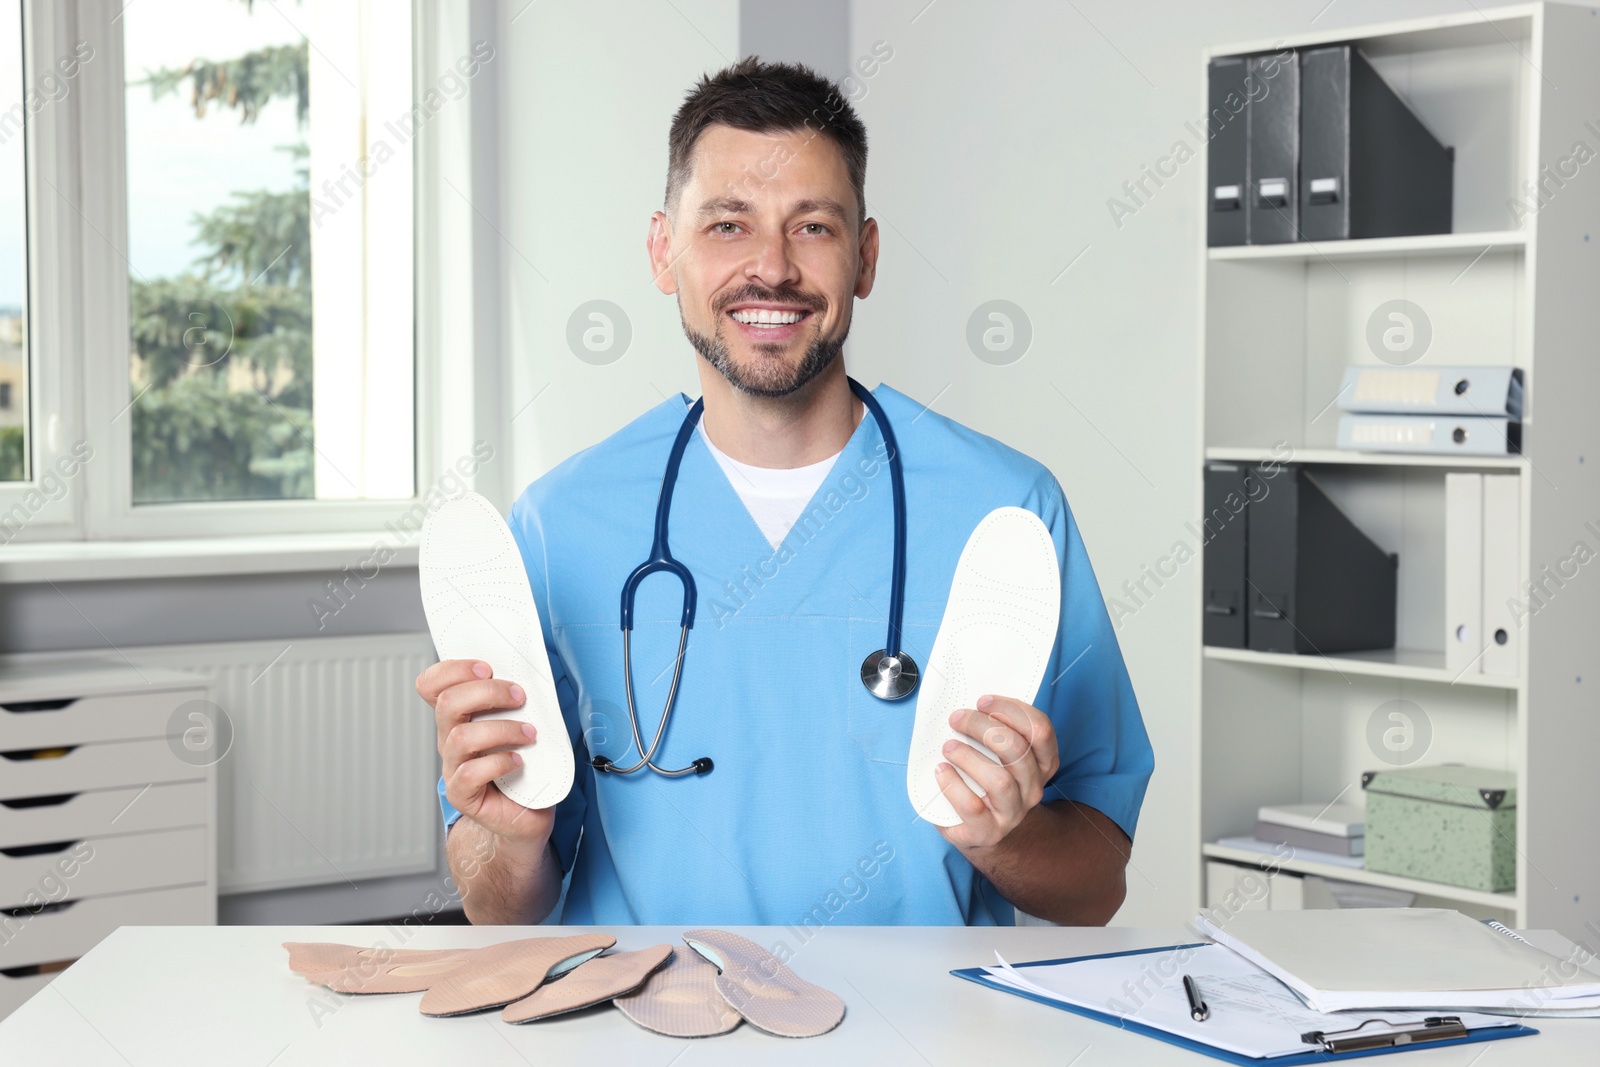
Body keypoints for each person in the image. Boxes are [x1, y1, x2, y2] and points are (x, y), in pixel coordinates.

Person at [418, 56, 1153, 927]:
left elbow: (1096, 885)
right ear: (664, 250)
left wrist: (1005, 838)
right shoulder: (556, 524)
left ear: (866, 257)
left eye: (813, 227)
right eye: (728, 225)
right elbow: (502, 911)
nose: (772, 268)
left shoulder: (1008, 512)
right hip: (642, 1023)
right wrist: (508, 840)